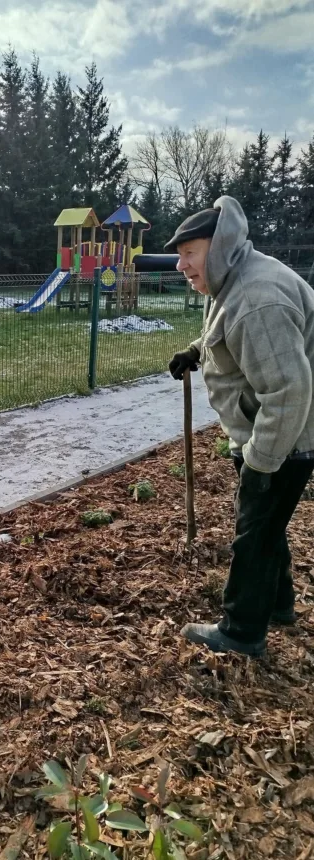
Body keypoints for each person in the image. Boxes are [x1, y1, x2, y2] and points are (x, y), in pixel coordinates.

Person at [167, 196, 314, 656]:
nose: (180, 264)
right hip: (278, 433)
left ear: (219, 245)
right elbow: (226, 326)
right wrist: (197, 350)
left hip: (286, 439)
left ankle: (241, 631)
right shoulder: (238, 275)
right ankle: (278, 605)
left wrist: (261, 462)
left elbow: (287, 392)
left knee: (253, 532)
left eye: (188, 252)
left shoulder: (256, 299)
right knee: (268, 526)